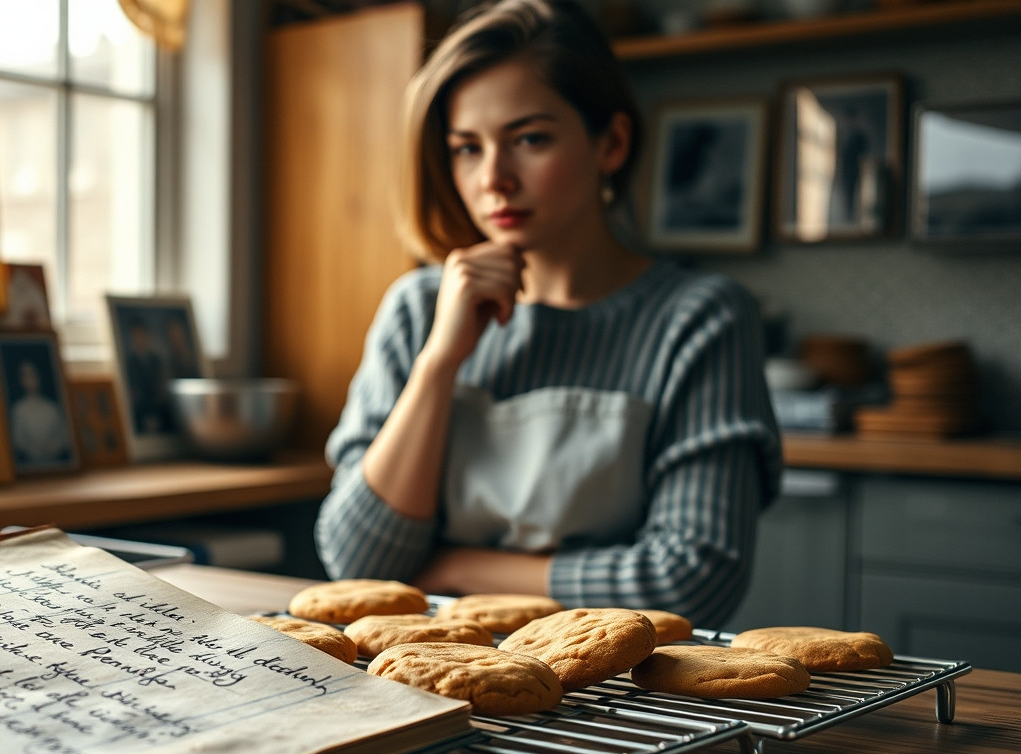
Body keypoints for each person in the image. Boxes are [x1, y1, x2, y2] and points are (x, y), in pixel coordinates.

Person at [314, 0, 782, 629]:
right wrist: (439, 363)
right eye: (466, 149)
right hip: (423, 674)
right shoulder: (418, 308)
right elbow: (356, 564)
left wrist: (454, 568)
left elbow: (690, 581)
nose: (494, 179)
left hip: (615, 695)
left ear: (610, 143)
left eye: (529, 139)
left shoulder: (700, 318)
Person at [9, 358, 71, 466]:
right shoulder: (18, 410)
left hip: (56, 464)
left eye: (32, 374)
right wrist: (34, 449)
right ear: (20, 380)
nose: (30, 379)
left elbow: (64, 437)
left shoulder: (52, 408)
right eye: (25, 376)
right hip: (31, 465)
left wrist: (54, 447)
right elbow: (18, 441)